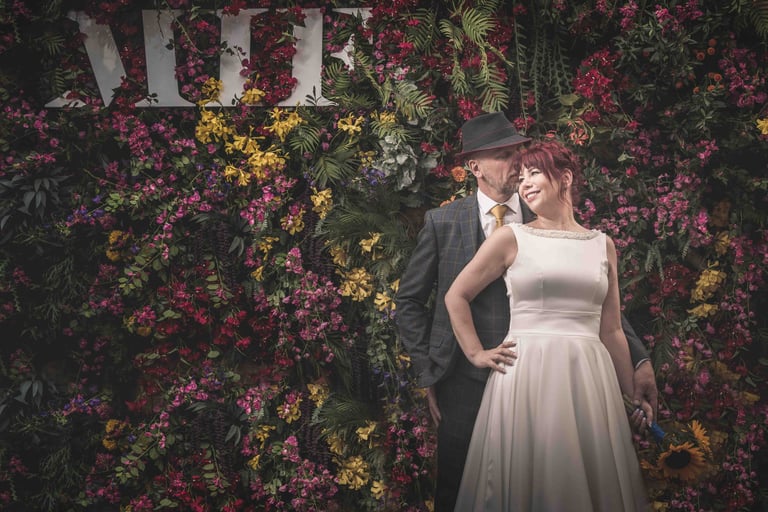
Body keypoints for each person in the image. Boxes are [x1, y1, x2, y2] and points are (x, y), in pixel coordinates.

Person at [394, 112, 657, 512]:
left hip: (563, 381)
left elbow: (595, 309)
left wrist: (638, 362)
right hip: (464, 382)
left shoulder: (573, 229)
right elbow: (412, 302)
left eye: (518, 153)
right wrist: (431, 372)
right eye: (504, 155)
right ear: (474, 167)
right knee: (462, 490)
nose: (516, 164)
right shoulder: (443, 221)